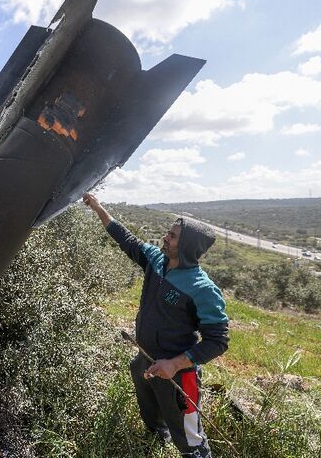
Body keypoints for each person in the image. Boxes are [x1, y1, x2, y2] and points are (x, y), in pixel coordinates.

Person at [83, 193, 229, 458]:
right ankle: (155, 444)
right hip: (145, 362)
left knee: (190, 440)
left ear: (186, 246)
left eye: (172, 236)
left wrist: (173, 364)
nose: (165, 237)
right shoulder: (156, 262)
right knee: (151, 419)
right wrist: (97, 207)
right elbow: (125, 238)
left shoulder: (202, 289)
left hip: (178, 376)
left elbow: (217, 341)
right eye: (168, 233)